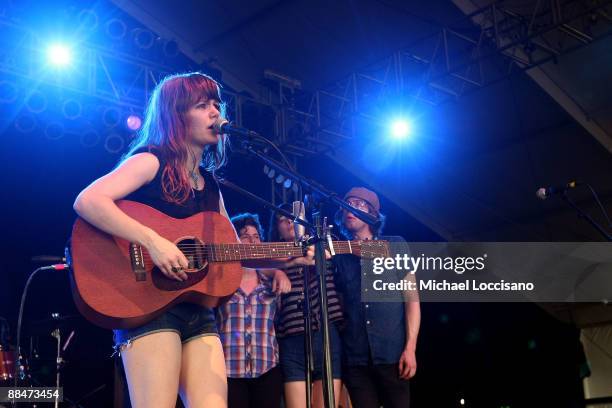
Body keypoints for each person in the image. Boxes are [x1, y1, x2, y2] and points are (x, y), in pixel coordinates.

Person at [73, 72, 296, 408]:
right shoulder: (150, 160)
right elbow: (88, 200)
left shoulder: (211, 185)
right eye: (202, 105)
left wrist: (289, 257)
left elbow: (233, 252)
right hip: (146, 306)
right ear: (176, 115)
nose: (214, 113)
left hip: (198, 311)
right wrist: (153, 241)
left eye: (216, 105)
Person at [332, 187, 420, 408]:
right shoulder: (340, 255)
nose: (350, 209)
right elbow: (340, 303)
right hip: (356, 358)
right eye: (347, 204)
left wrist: (410, 348)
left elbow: (411, 299)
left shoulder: (395, 245)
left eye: (358, 204)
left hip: (392, 354)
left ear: (371, 213)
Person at [268, 204, 344, 408]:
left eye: (292, 218)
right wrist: (283, 268)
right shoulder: (274, 257)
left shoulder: (322, 244)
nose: (288, 223)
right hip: (292, 337)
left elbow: (341, 258)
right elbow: (260, 266)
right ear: (277, 229)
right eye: (282, 220)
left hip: (326, 333)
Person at [217, 213, 288, 408]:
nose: (252, 241)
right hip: (229, 369)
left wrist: (278, 272)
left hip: (267, 369)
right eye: (245, 236)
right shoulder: (221, 282)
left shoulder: (271, 282)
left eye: (256, 236)